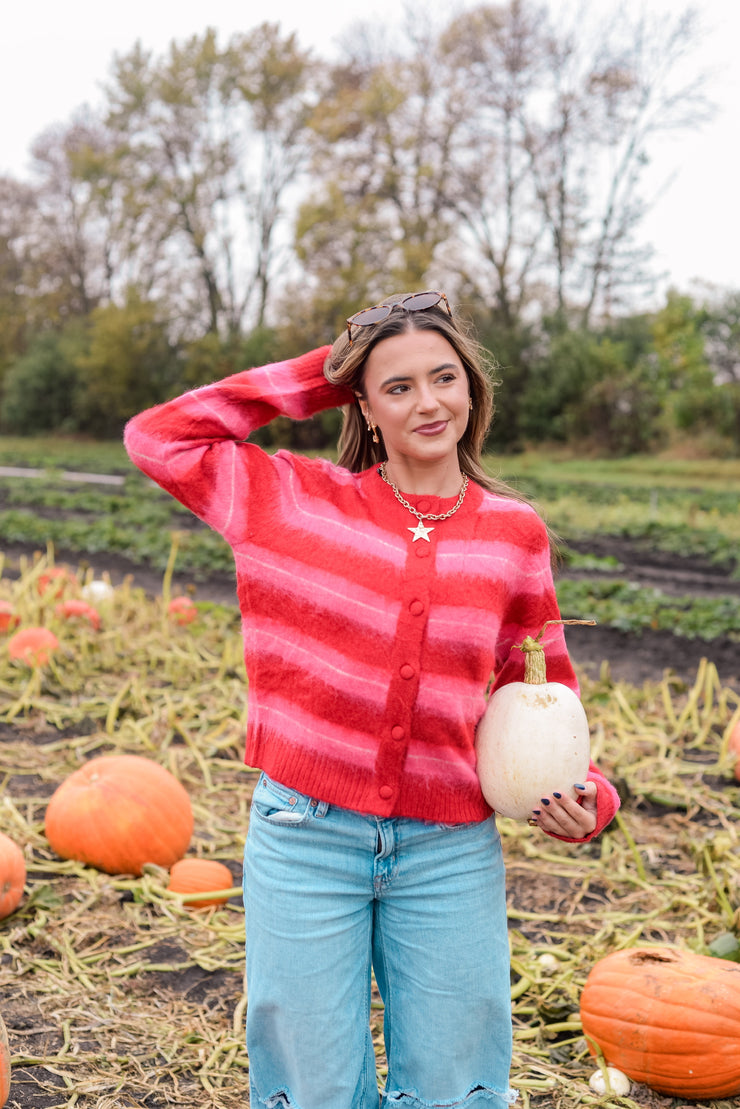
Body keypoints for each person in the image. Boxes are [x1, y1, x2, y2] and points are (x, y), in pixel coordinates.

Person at [124, 290, 620, 1109]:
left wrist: (585, 795)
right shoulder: (290, 501)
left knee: (457, 1090)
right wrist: (320, 372)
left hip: (449, 848)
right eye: (398, 386)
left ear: (472, 389)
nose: (429, 402)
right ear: (362, 402)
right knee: (311, 1091)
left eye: (444, 377)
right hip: (305, 836)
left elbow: (539, 683)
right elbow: (159, 438)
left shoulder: (514, 532)